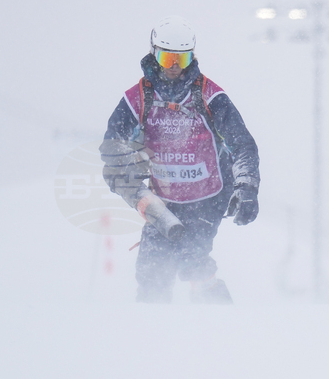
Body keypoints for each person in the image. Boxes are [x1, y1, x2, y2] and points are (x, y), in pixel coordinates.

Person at [100, 16, 260, 303]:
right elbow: (112, 147)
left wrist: (246, 188)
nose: (174, 68)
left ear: (192, 58)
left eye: (182, 60)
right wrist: (132, 184)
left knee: (192, 261)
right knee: (151, 270)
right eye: (167, 58)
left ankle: (220, 322)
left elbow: (243, 144)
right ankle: (153, 331)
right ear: (154, 55)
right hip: (164, 201)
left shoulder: (209, 96)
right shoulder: (138, 98)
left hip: (208, 196)